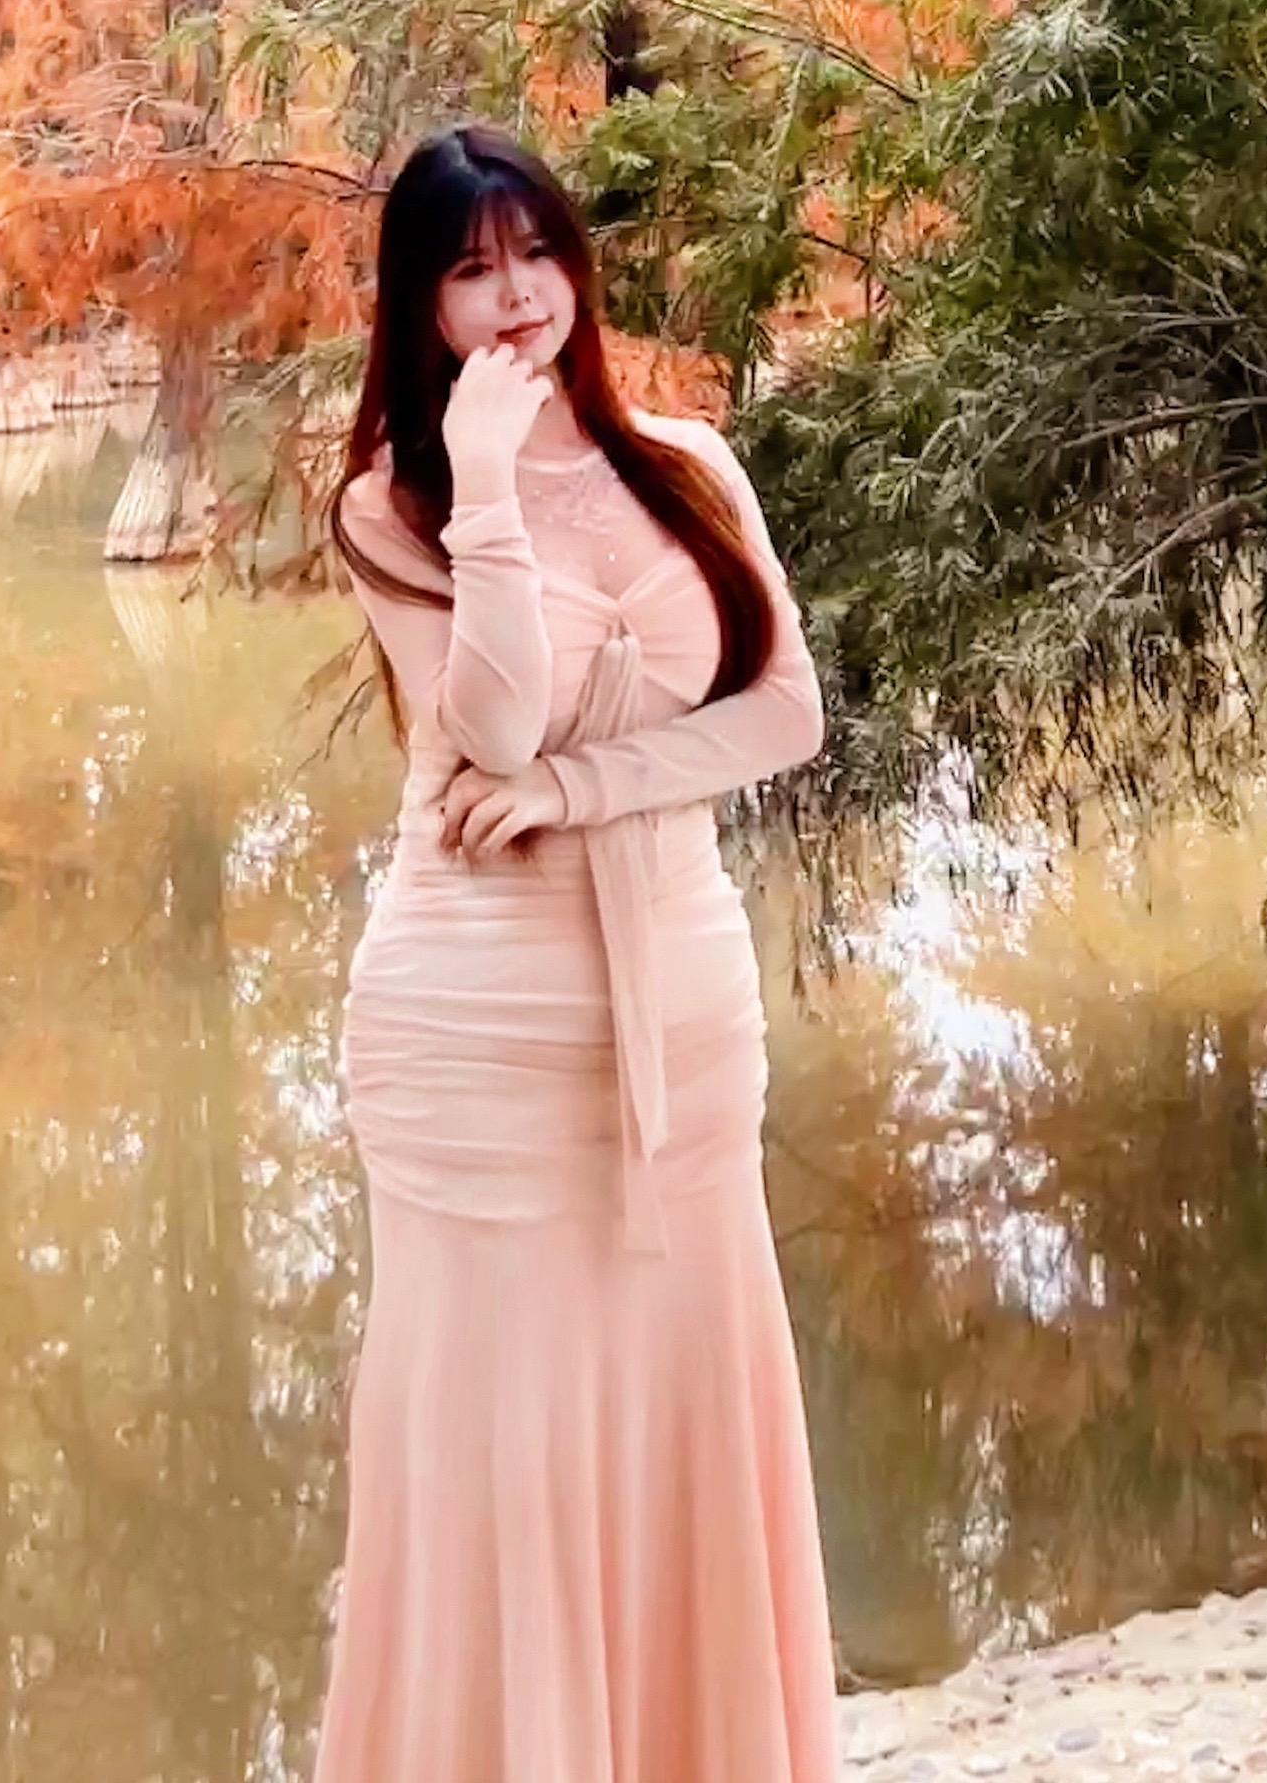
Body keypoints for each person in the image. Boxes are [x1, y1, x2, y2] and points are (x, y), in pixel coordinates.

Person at [312, 119, 837, 1783]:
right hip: (477, 1021)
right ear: (421, 303)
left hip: (684, 995)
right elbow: (493, 721)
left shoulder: (689, 465)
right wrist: (484, 485)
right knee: (507, 1438)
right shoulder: (390, 506)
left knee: (689, 1398)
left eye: (538, 252)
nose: (519, 295)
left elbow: (785, 715)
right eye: (473, 272)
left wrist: (577, 789)